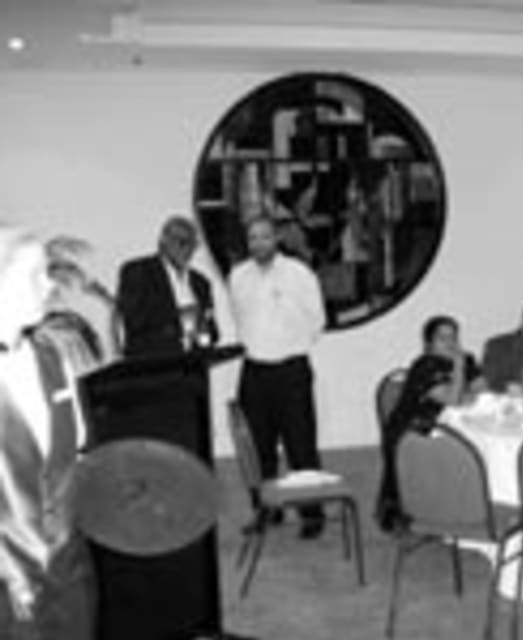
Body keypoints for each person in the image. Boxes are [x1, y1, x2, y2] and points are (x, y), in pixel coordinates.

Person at [0, 226, 95, 639]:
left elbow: (75, 455)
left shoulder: (55, 358)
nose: (50, 284)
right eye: (34, 274)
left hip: (70, 577)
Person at [229, 216, 327, 539]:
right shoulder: (238, 276)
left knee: (301, 445)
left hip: (291, 370)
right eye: (253, 238)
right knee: (258, 449)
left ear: (277, 238)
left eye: (265, 236)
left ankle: (311, 514)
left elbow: (317, 320)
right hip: (254, 371)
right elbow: (240, 318)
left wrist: (288, 343)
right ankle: (266, 510)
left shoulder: (299, 274)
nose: (259, 243)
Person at [375, 315, 485, 532]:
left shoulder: (467, 358)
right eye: (442, 338)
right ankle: (438, 511)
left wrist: (464, 386)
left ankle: (465, 507)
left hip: (448, 428)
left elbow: (483, 391)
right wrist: (459, 370)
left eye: (454, 337)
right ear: (429, 343)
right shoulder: (424, 366)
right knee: (465, 450)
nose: (450, 343)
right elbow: (453, 400)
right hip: (413, 433)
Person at [116, 216, 219, 357]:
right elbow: (134, 320)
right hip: (153, 363)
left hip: (193, 364)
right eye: (182, 242)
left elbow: (210, 332)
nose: (188, 250)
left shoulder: (201, 282)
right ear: (164, 241)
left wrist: (204, 335)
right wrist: (180, 321)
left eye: (193, 244)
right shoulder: (138, 271)